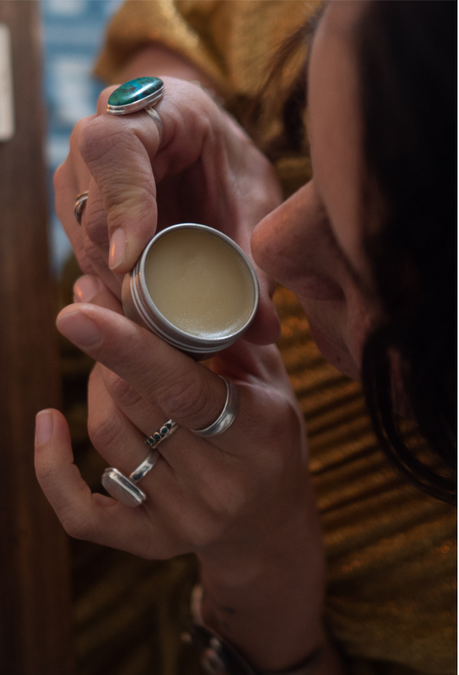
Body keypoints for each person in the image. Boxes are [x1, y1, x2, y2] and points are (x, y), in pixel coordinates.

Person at [35, 2, 456, 674]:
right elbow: (194, 20)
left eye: (361, 270)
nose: (265, 243)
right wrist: (167, 113)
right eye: (307, 138)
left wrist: (260, 564)